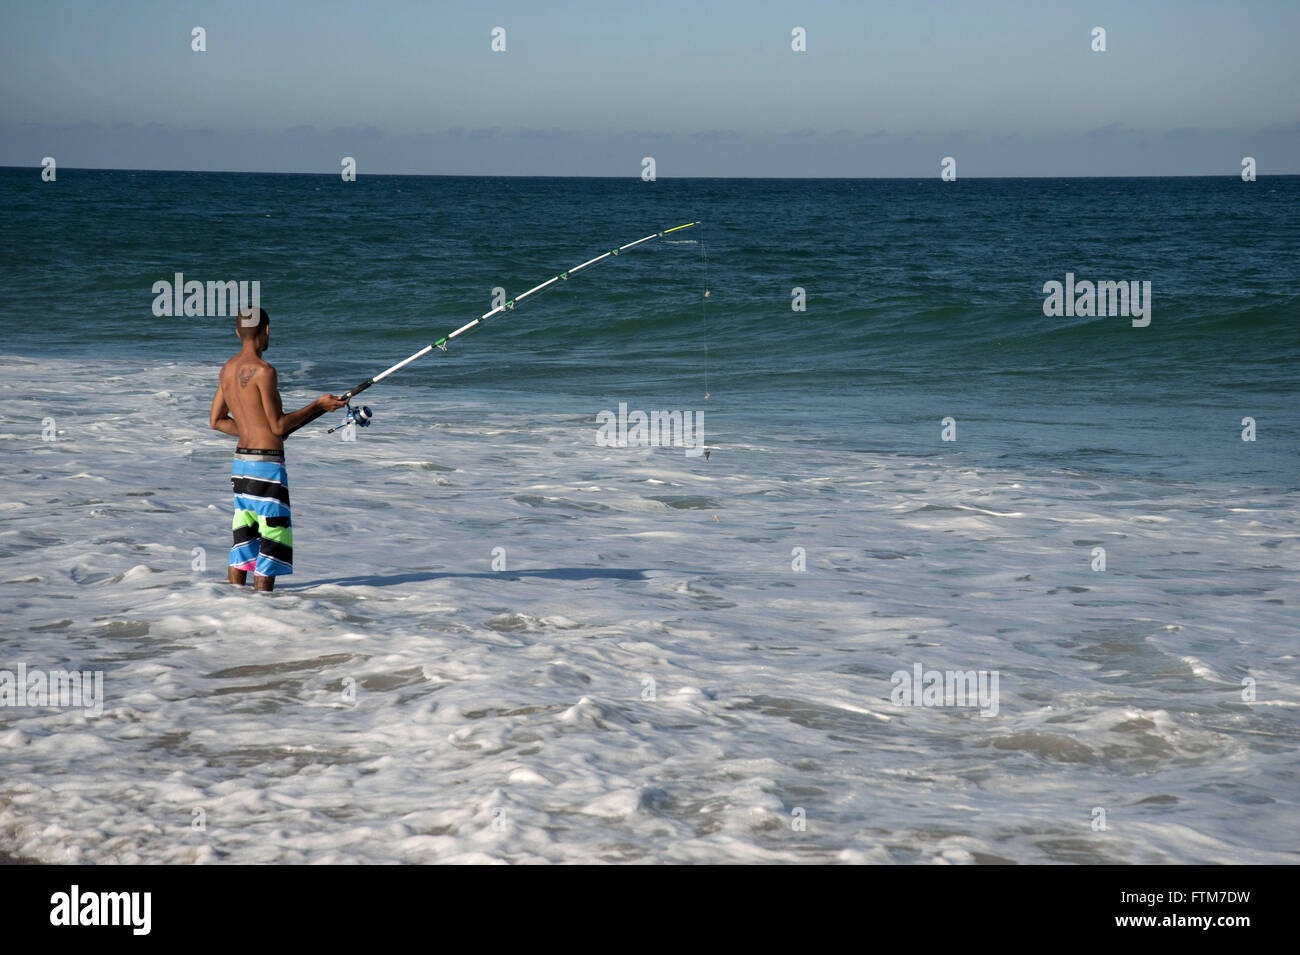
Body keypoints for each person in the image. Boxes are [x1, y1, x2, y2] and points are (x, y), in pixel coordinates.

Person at [209, 308, 346, 591]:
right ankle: (263, 612)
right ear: (267, 330)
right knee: (272, 539)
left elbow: (217, 421)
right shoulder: (264, 371)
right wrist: (318, 406)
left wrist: (251, 429)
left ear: (238, 333)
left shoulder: (227, 370)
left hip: (241, 466)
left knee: (244, 540)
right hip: (267, 468)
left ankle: (232, 605)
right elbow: (279, 427)